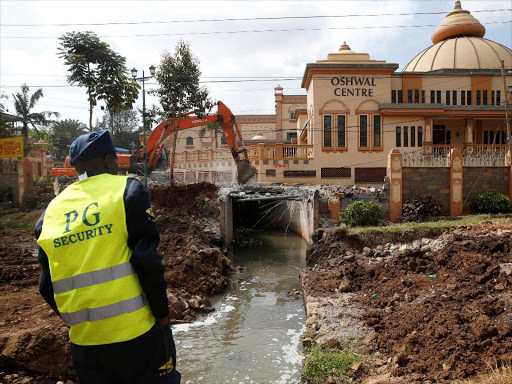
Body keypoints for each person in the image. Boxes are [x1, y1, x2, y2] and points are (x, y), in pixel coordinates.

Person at [35, 130, 181, 384]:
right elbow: (148, 263)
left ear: (75, 166)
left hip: (85, 344)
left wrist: (77, 325)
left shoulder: (51, 212)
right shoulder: (127, 191)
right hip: (137, 335)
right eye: (114, 158)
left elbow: (46, 285)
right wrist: (162, 316)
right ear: (108, 160)